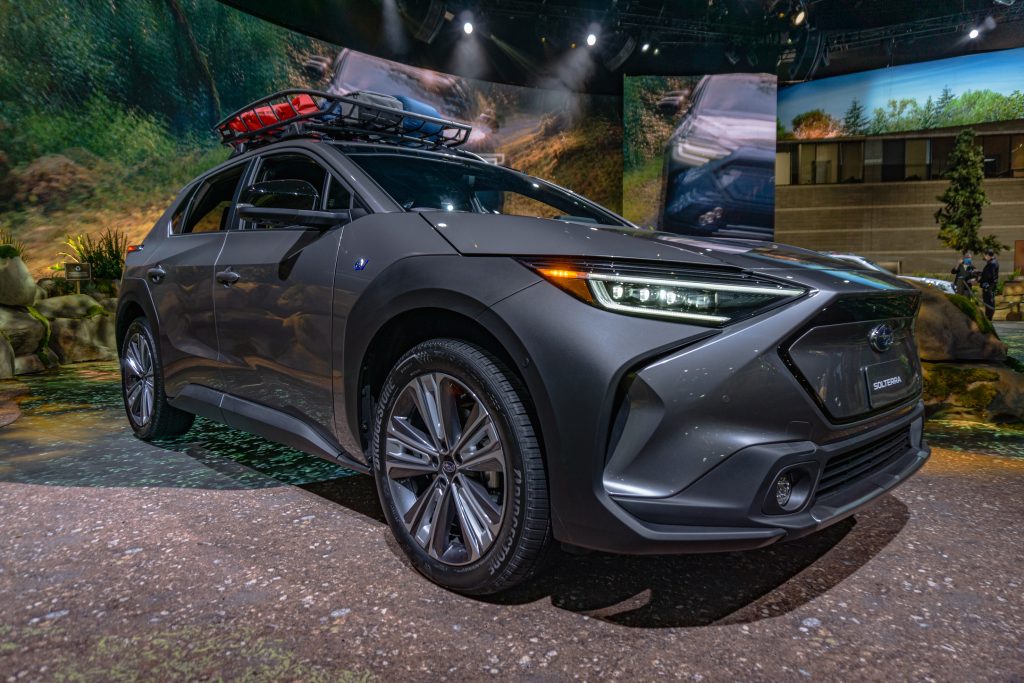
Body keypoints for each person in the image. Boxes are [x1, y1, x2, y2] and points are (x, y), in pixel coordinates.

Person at [979, 249, 1000, 320]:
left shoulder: (991, 263)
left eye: (985, 255)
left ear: (988, 255)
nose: (984, 257)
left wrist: (979, 280)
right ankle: (989, 317)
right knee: (990, 301)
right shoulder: (993, 262)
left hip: (988, 286)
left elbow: (988, 276)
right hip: (991, 285)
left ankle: (988, 318)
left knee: (988, 302)